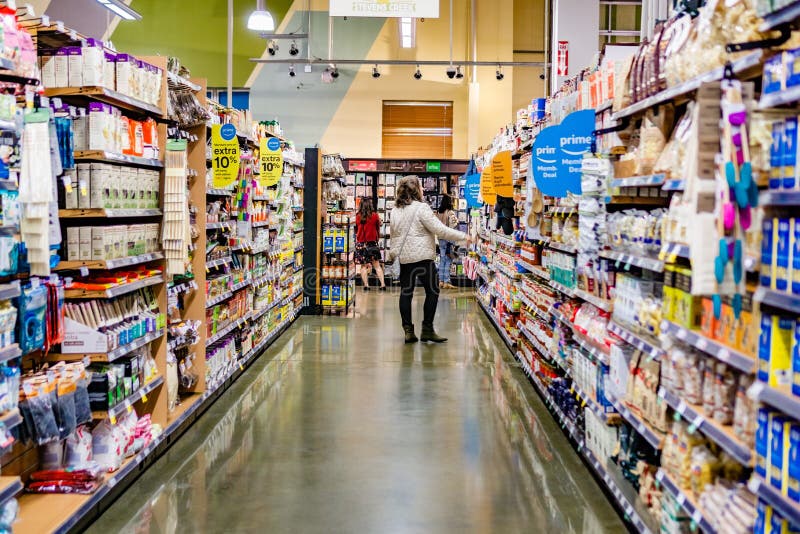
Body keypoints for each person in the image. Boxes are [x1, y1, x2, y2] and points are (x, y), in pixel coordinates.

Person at [389, 176, 471, 344]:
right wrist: (464, 236)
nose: (423, 190)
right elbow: (441, 230)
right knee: (432, 291)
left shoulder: (394, 210)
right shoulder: (422, 208)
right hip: (423, 259)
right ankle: (427, 329)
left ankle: (408, 331)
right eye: (421, 187)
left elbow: (394, 235)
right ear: (416, 189)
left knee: (406, 293)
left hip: (404, 259)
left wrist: (393, 255)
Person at [355, 197, 386, 291]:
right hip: (372, 243)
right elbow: (378, 228)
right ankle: (383, 285)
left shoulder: (357, 216)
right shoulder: (375, 215)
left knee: (363, 266)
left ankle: (366, 286)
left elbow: (356, 229)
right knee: (377, 266)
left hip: (361, 244)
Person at [435, 195, 459, 290]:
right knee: (448, 260)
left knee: (442, 259)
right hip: (448, 238)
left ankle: (441, 281)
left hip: (440, 238)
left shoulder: (438, 212)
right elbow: (453, 225)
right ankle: (446, 281)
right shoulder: (450, 212)